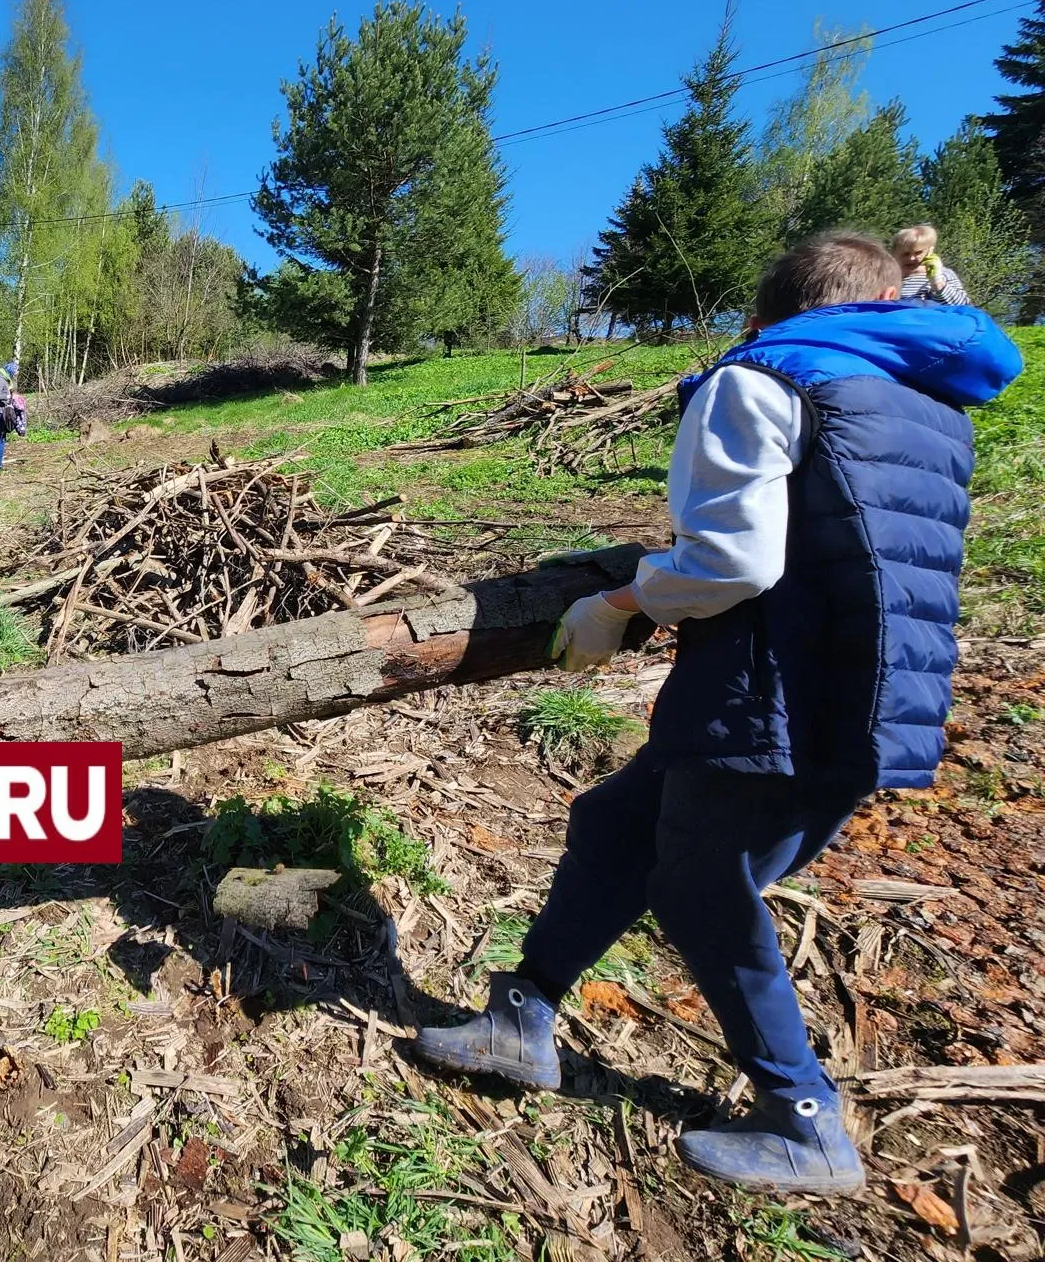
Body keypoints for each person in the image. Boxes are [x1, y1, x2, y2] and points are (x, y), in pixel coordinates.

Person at [413, 232, 1023, 1194]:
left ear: (763, 314)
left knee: (704, 890)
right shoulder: (927, 403)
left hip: (773, 696)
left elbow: (734, 561)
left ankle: (804, 1120)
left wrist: (618, 604)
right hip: (876, 697)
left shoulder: (764, 378)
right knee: (615, 825)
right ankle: (521, 1016)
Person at [892, 224, 972, 306]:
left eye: (918, 253)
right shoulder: (887, 276)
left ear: (930, 251)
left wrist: (937, 282)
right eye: (906, 254)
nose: (912, 258)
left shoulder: (944, 274)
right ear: (894, 253)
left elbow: (963, 305)